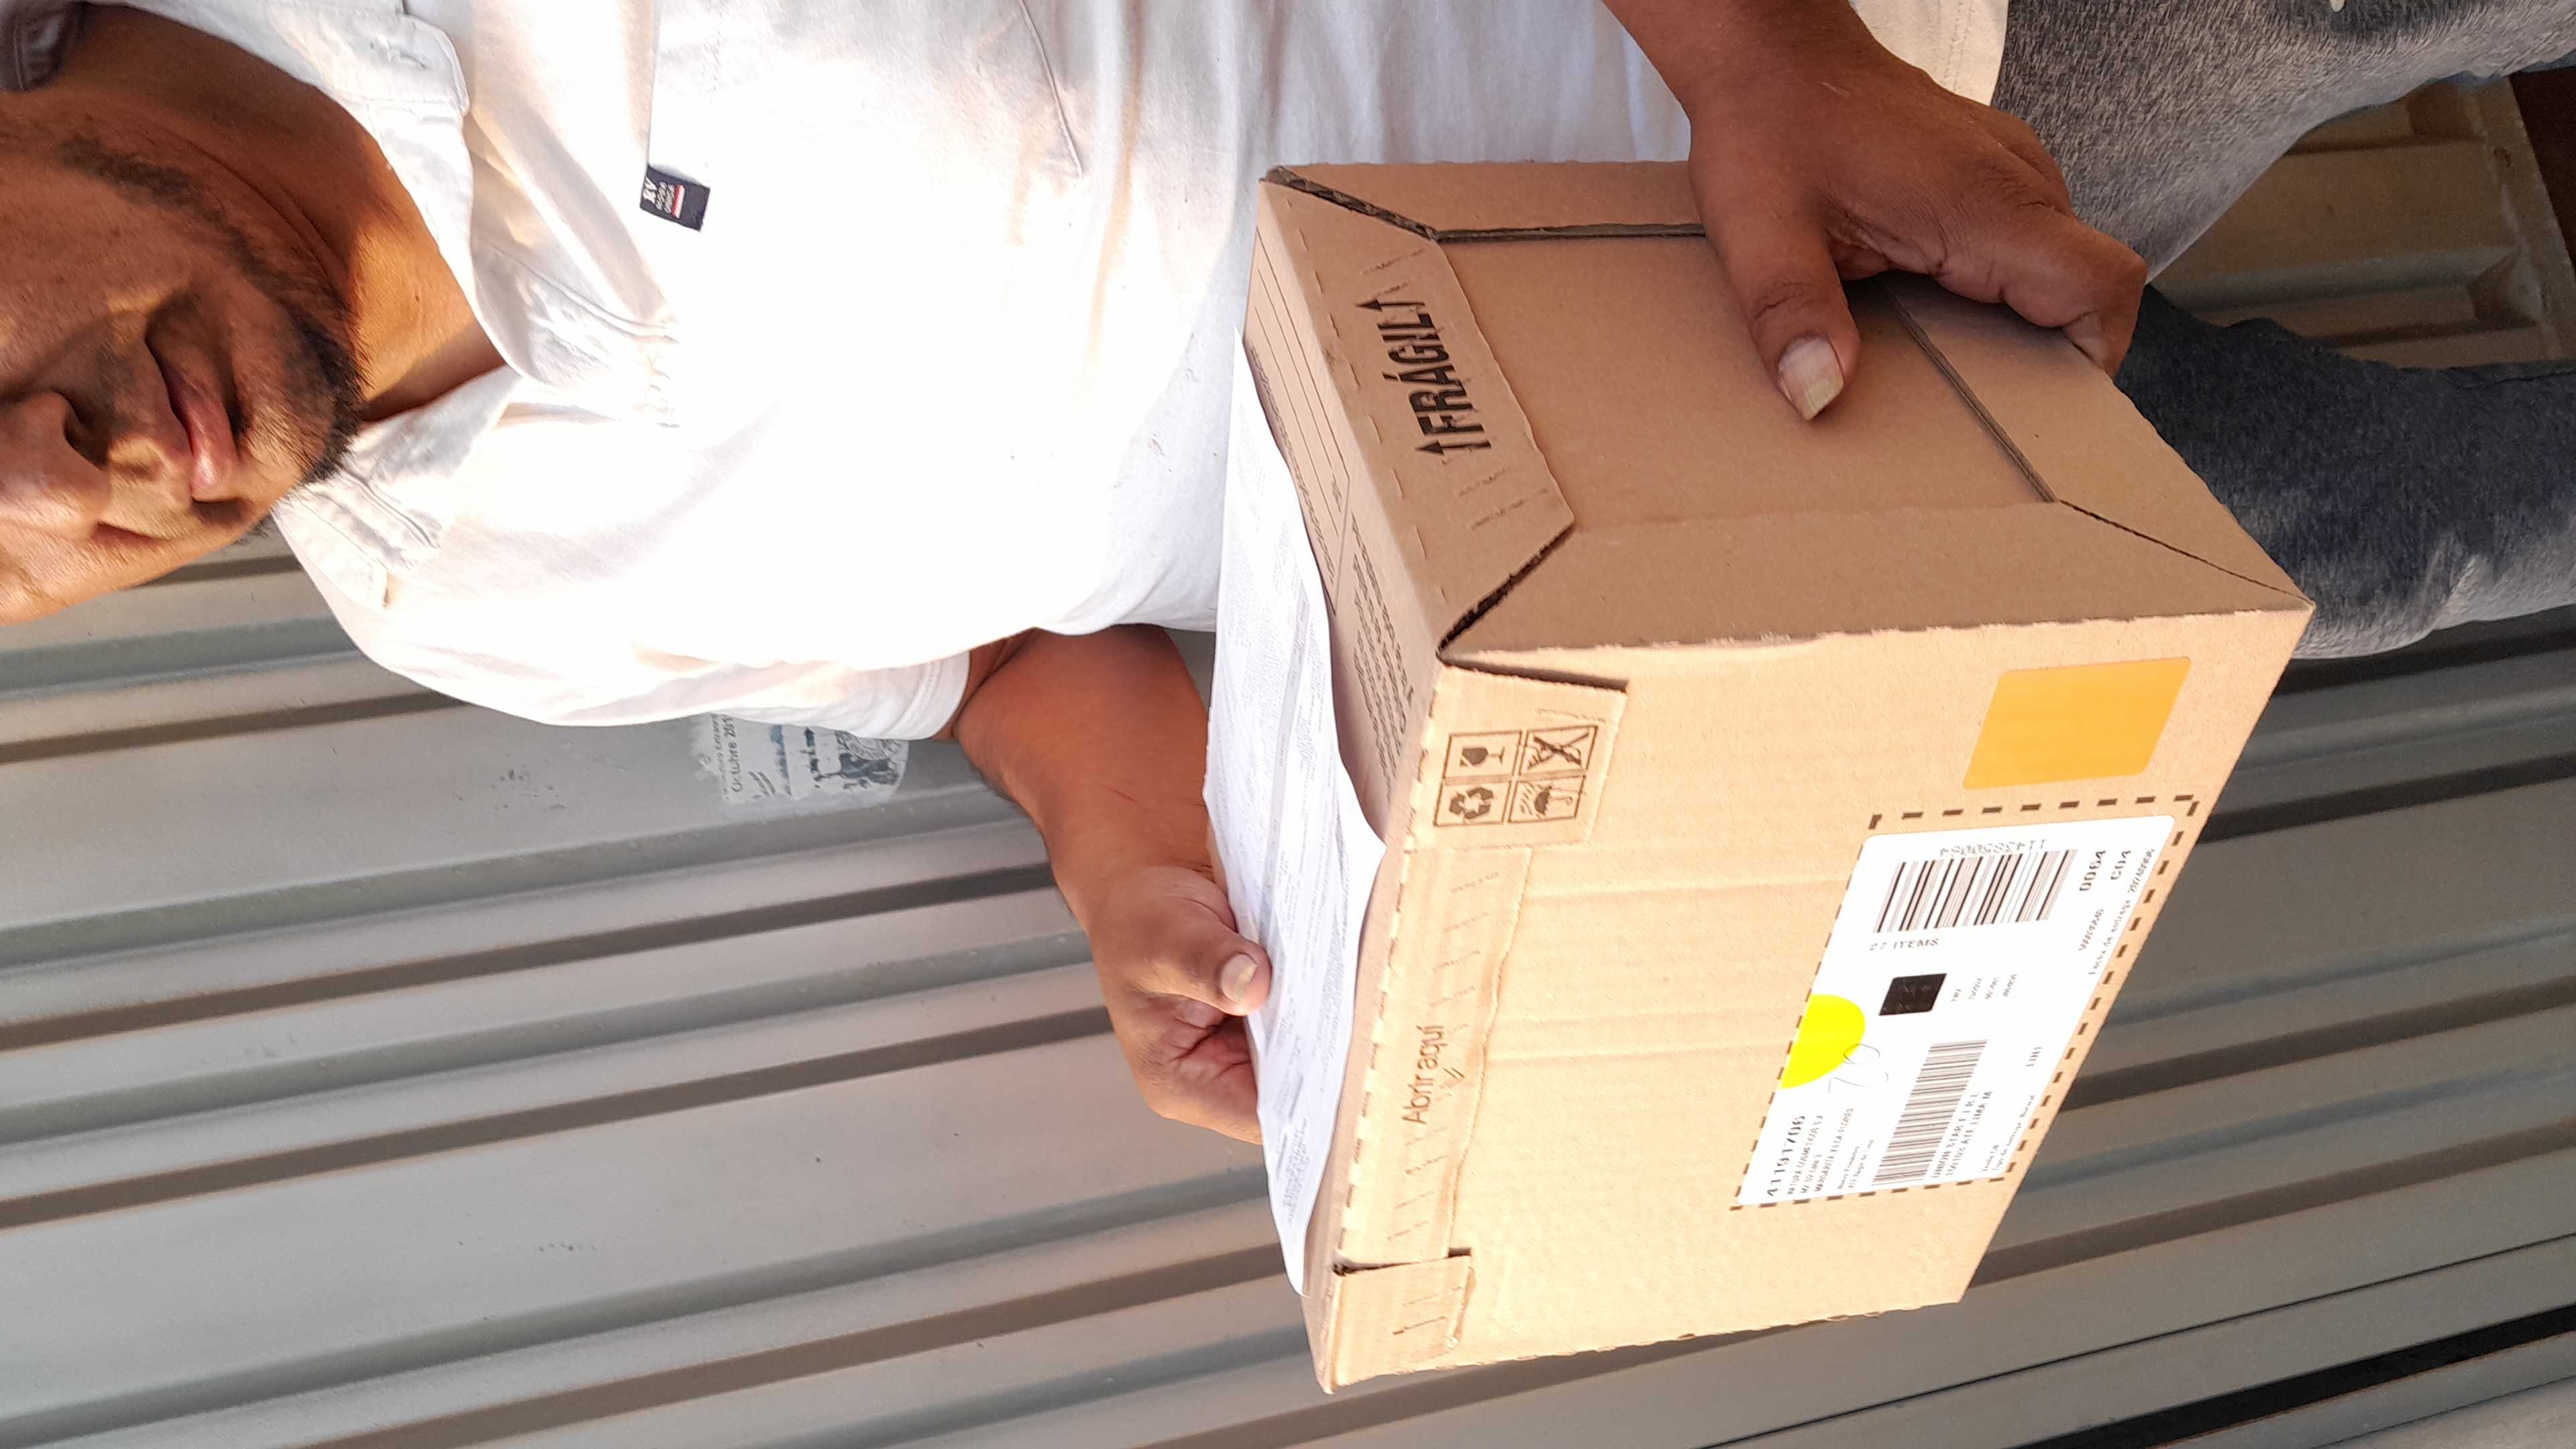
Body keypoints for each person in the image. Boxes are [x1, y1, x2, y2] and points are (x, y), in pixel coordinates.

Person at [0, 1, 2568, 1142]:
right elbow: (989, 652)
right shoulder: (461, 599)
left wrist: (1760, 52)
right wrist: (1126, 853)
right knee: (2434, 527)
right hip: (1762, 525)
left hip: (1894, 50)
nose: (58, 479)